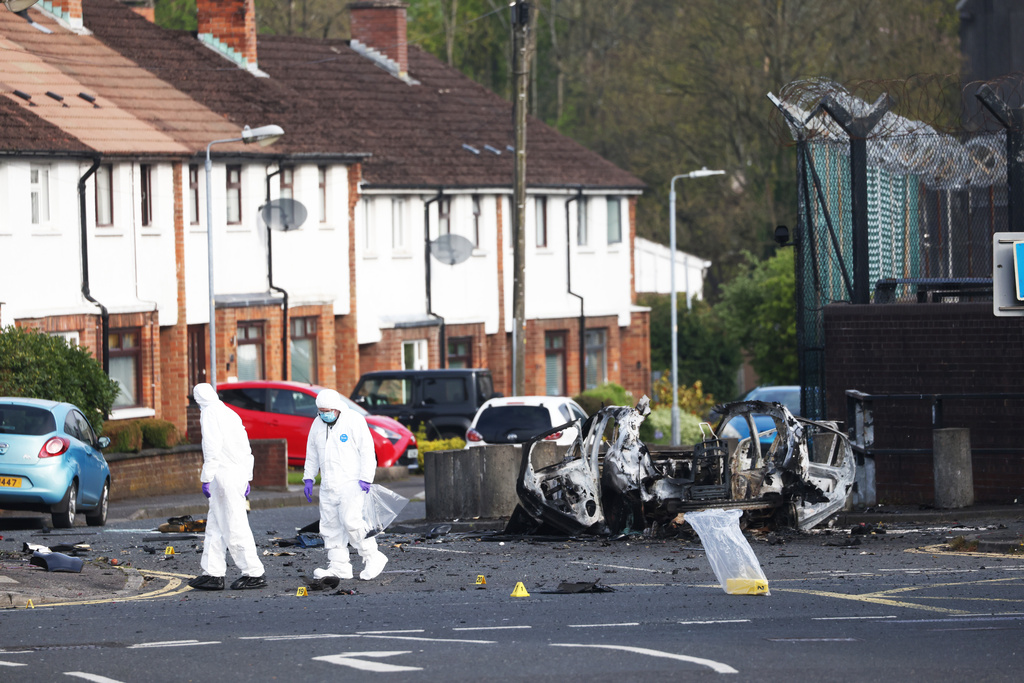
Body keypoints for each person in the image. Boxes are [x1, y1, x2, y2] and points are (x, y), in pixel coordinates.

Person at [188, 383, 266, 591]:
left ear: (198, 400)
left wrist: (206, 477)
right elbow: (245, 447)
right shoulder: (229, 412)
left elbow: (211, 448)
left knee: (233, 525)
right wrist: (247, 477)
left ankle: (254, 572)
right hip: (236, 474)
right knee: (216, 527)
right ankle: (213, 573)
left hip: (223, 477)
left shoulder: (209, 413)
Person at [303, 388, 388, 581]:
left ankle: (373, 557)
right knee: (329, 526)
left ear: (337, 408)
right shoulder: (317, 424)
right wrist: (309, 478)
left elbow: (367, 450)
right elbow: (312, 453)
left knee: (352, 522)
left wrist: (366, 477)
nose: (324, 414)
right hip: (328, 485)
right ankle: (339, 566)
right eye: (321, 410)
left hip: (352, 483)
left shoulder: (354, 420)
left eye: (327, 410)